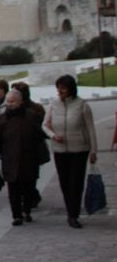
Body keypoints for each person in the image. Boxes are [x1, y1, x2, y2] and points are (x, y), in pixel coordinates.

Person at [45, 75, 98, 229]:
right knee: (65, 182)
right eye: (58, 88)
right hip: (60, 149)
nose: (59, 91)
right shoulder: (53, 105)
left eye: (63, 88)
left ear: (71, 89)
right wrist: (53, 135)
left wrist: (94, 150)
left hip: (79, 149)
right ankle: (70, 210)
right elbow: (45, 126)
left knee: (76, 182)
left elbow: (90, 129)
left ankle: (73, 215)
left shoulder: (82, 105)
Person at [0, 88, 44, 226]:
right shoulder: (2, 119)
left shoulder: (30, 116)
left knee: (29, 187)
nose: (9, 104)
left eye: (13, 101)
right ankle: (17, 215)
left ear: (20, 102)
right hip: (10, 158)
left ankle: (27, 211)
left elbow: (39, 136)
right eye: (8, 101)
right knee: (13, 188)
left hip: (29, 158)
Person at [11, 81, 47, 212]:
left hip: (33, 149)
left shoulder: (35, 109)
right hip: (17, 150)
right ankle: (29, 197)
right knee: (20, 177)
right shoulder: (11, 110)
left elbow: (42, 130)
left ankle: (31, 196)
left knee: (31, 177)